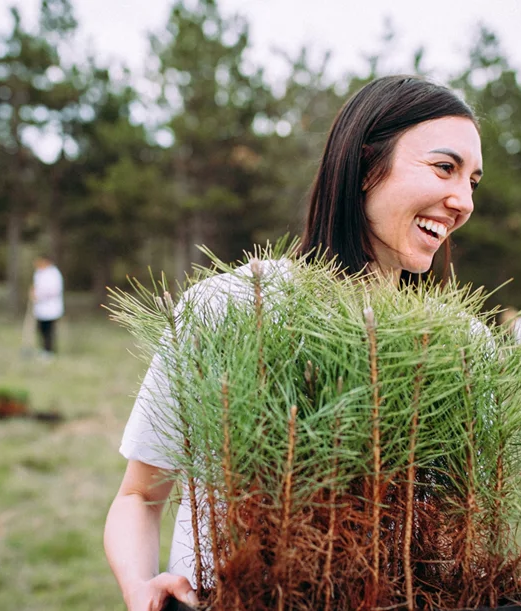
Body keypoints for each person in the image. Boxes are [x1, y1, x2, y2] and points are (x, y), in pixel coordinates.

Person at [103, 76, 484, 611]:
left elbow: (444, 524)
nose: (462, 200)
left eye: (473, 181)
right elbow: (139, 497)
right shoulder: (232, 308)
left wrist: (476, 581)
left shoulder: (460, 347)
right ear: (364, 166)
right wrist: (140, 588)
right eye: (445, 168)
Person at [30, 256, 63, 357]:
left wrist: (39, 295)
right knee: (41, 329)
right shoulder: (39, 273)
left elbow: (54, 290)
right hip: (40, 308)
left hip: (50, 308)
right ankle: (43, 349)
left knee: (49, 330)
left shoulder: (53, 274)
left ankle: (49, 351)